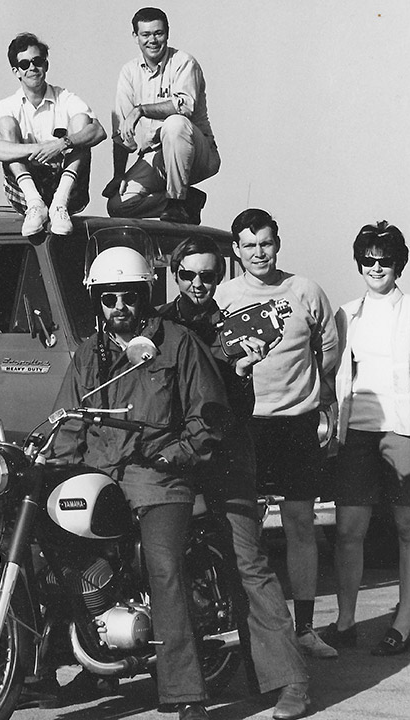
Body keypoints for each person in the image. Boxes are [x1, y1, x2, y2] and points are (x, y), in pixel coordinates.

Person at [51, 245, 227, 720]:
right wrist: (57, 470)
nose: (120, 307)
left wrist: (175, 454)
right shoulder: (89, 353)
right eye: (109, 298)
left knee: (162, 567)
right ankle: (45, 668)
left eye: (129, 296)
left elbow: (207, 416)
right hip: (98, 477)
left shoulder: (178, 343)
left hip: (158, 479)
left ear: (146, 294)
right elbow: (69, 420)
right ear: (98, 301)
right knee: (47, 547)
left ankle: (186, 693)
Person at [158, 236, 311, 720]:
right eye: (189, 275)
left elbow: (238, 410)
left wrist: (242, 371)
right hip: (167, 460)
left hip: (224, 459)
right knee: (154, 563)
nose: (199, 284)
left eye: (208, 275)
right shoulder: (155, 324)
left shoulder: (236, 326)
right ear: (174, 273)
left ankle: (290, 681)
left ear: (219, 275)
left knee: (249, 564)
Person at [214, 208, 340, 658]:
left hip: (297, 425)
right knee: (243, 530)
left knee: (301, 525)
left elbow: (328, 349)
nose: (259, 253)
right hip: (247, 426)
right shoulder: (224, 296)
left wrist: (314, 393)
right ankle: (249, 632)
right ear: (236, 250)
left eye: (265, 243)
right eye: (249, 246)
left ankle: (304, 630)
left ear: (278, 243)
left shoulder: (306, 290)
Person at [324, 222, 410, 656]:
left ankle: (403, 622)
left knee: (409, 526)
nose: (376, 267)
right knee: (347, 530)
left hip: (407, 430)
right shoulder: (345, 313)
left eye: (386, 260)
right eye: (369, 260)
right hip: (356, 432)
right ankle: (344, 622)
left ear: (399, 264)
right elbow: (330, 373)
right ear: (359, 262)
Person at [104, 7, 219, 224]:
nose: (153, 40)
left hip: (197, 153)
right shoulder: (129, 72)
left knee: (174, 124)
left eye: (158, 33)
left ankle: (176, 202)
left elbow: (185, 107)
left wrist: (141, 109)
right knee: (118, 205)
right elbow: (121, 132)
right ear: (135, 37)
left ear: (167, 32)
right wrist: (119, 174)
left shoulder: (184, 62)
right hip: (157, 156)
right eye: (146, 34)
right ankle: (187, 200)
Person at [0, 32, 106, 237]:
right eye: (25, 64)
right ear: (16, 71)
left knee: (82, 123)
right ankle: (35, 205)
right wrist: (38, 148)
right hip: (26, 190)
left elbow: (98, 131)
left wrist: (62, 143)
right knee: (5, 126)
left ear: (46, 65)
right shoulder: (8, 105)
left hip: (66, 188)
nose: (32, 68)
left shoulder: (66, 98)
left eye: (37, 61)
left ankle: (59, 204)